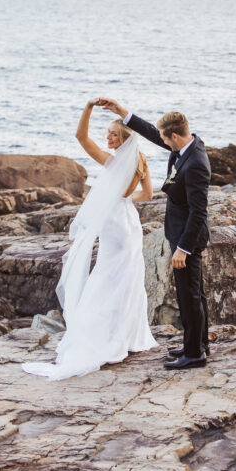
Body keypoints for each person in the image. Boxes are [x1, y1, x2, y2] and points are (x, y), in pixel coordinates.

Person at [22, 99, 157, 381]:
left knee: (106, 279)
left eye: (113, 134)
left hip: (113, 222)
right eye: (108, 133)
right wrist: (122, 200)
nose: (108, 137)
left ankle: (103, 338)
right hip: (129, 222)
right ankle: (128, 337)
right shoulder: (140, 160)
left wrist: (87, 108)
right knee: (127, 278)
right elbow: (148, 195)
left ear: (124, 139)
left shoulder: (113, 161)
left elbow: (81, 137)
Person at [97, 98, 211, 370]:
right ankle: (198, 343)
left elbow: (199, 211)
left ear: (174, 136)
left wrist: (183, 248)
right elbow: (150, 132)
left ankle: (194, 354)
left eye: (164, 138)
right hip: (180, 231)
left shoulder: (195, 163)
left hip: (188, 237)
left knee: (189, 295)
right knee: (196, 293)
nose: (161, 142)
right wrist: (123, 113)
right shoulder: (187, 145)